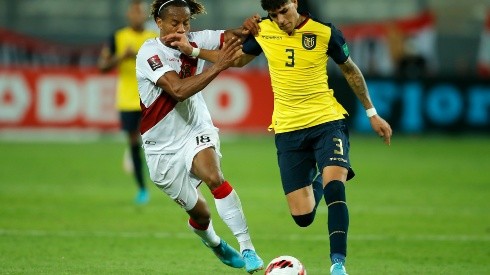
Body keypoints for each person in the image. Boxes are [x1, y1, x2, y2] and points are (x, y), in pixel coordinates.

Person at [165, 0, 392, 274]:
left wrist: (372, 113)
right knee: (303, 216)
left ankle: (338, 265)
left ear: (294, 3)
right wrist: (194, 50)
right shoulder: (264, 30)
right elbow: (236, 60)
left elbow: (350, 70)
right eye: (274, 14)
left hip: (327, 122)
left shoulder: (325, 32)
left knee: (335, 189)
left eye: (284, 11)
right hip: (288, 132)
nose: (281, 20)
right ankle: (329, 172)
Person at [135, 0, 264, 273]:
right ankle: (214, 242)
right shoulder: (149, 53)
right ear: (159, 23)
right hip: (161, 147)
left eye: (186, 22)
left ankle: (248, 248)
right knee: (200, 213)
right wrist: (218, 66)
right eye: (174, 23)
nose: (181, 28)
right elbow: (178, 90)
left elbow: (230, 36)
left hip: (195, 127)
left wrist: (251, 28)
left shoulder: (193, 40)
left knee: (214, 176)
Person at [98, 0, 158, 205]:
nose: (137, 17)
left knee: (158, 141)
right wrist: (121, 56)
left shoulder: (153, 38)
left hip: (151, 98)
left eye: (140, 13)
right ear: (128, 16)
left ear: (145, 16)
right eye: (134, 13)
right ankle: (142, 189)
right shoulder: (118, 37)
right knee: (134, 143)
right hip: (127, 99)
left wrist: (139, 55)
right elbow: (103, 66)